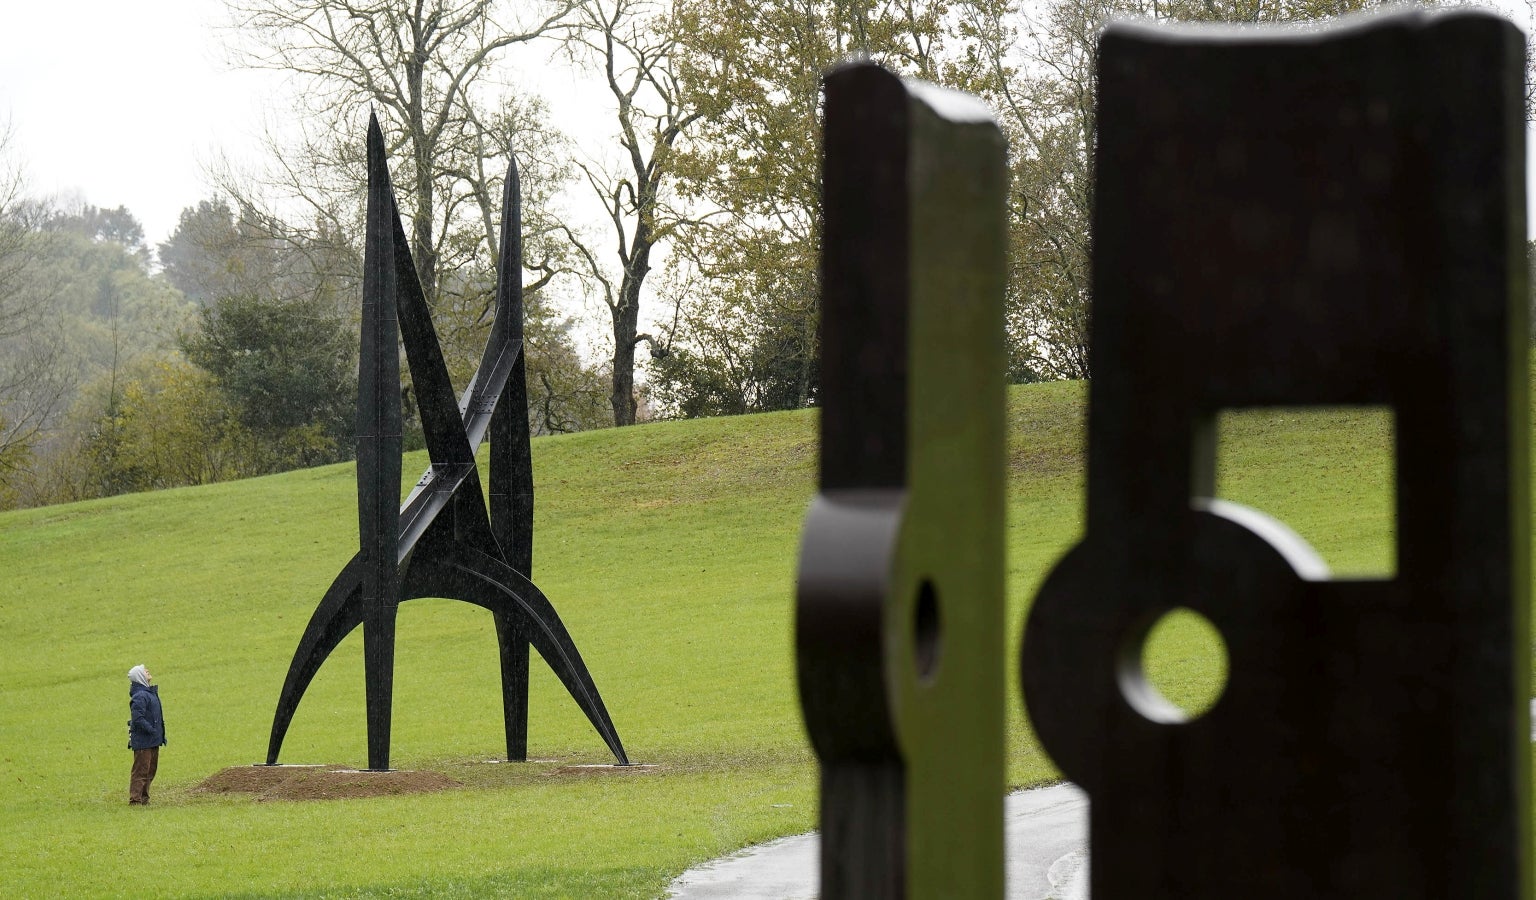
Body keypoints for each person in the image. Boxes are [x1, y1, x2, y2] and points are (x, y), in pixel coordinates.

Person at [126, 665, 166, 805]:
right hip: (144, 740)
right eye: (144, 671)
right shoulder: (140, 696)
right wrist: (152, 730)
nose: (148, 671)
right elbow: (138, 718)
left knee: (150, 770)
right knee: (141, 771)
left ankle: (144, 798)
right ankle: (135, 800)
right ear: (139, 676)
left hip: (153, 739)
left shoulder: (148, 693)